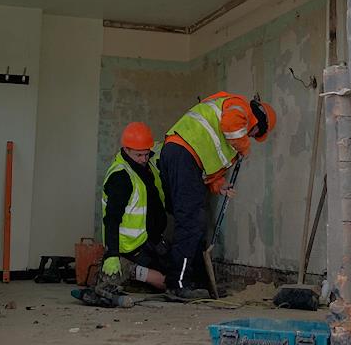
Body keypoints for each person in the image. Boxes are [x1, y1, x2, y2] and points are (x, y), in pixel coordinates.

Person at [159, 92, 277, 299]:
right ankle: (177, 283)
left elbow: (210, 164)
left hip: (184, 156)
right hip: (184, 154)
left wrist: (219, 185)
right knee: (191, 222)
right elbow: (231, 126)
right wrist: (244, 148)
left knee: (195, 223)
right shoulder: (238, 108)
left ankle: (195, 281)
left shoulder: (232, 134)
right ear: (258, 123)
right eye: (255, 134)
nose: (251, 137)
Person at [90, 122, 169, 308]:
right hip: (132, 247)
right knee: (163, 280)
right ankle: (130, 271)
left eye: (146, 153)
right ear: (126, 150)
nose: (143, 159)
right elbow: (111, 219)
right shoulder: (121, 177)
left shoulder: (144, 165)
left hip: (151, 242)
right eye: (138, 155)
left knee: (177, 276)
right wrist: (112, 254)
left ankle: (140, 276)